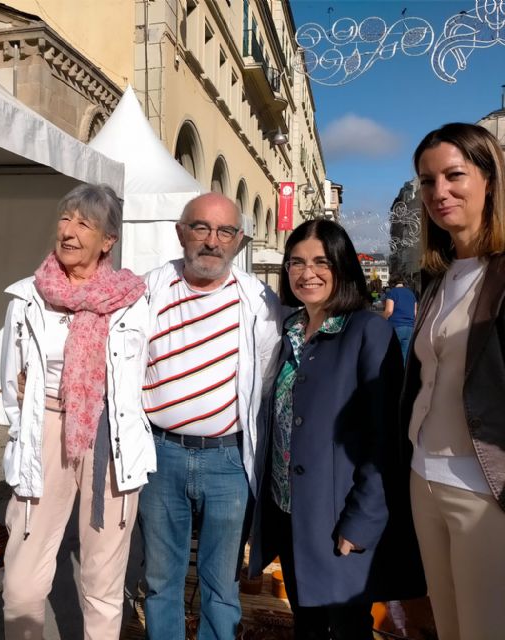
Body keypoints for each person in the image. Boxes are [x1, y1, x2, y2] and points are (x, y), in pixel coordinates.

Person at [250, 219, 425, 640]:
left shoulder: (368, 331)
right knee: (307, 625)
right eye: (296, 262)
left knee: (348, 628)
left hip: (339, 519)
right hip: (289, 513)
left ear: (342, 267)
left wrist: (362, 522)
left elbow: (383, 439)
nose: (306, 272)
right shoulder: (288, 328)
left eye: (320, 262)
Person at [0, 183, 156, 640]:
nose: (69, 232)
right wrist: (33, 413)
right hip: (44, 427)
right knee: (23, 576)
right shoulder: (28, 296)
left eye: (84, 224)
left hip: (110, 434)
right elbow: (11, 381)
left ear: (108, 240)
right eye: (65, 219)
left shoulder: (133, 299)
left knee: (102, 578)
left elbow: (147, 371)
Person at [139, 192, 283, 640]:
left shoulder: (259, 299)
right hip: (161, 455)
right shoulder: (146, 289)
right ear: (181, 232)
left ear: (238, 240)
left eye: (224, 232)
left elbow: (271, 372)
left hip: (228, 460)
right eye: (201, 227)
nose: (212, 241)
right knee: (161, 580)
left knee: (222, 583)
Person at [401, 122, 505, 640]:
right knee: (447, 628)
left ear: (489, 179)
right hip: (425, 480)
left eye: (454, 175)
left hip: (487, 488)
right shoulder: (438, 276)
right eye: (426, 180)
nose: (438, 192)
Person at [383, 274, 418, 362]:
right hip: (410, 328)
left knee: (392, 355)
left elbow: (389, 311)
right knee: (404, 356)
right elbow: (415, 313)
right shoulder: (411, 294)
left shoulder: (392, 292)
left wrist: (381, 320)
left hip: (396, 326)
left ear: (392, 283)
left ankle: (393, 375)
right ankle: (403, 375)